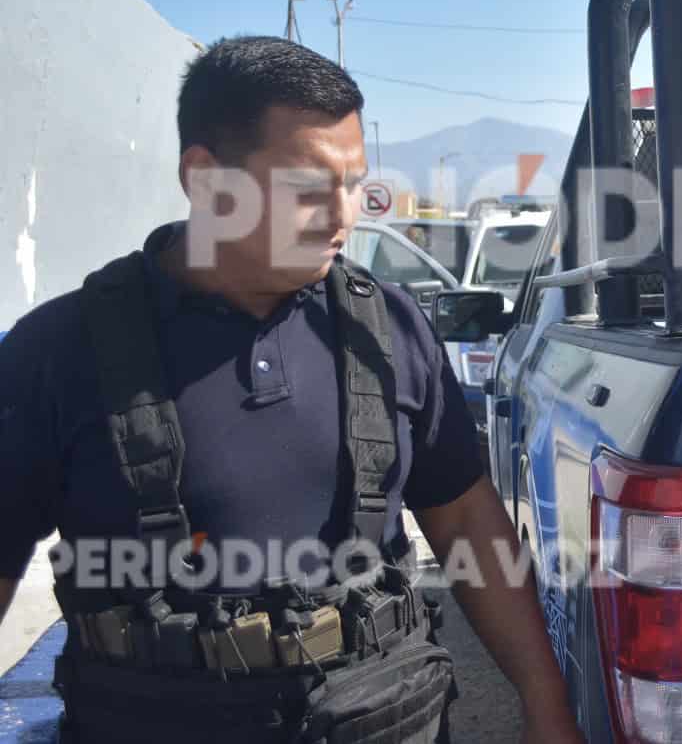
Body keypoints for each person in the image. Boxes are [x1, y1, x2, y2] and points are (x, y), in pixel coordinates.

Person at [0, 37, 580, 743]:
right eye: (309, 187)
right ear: (207, 179)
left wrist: (546, 703)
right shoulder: (57, 353)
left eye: (355, 184)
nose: (344, 216)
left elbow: (464, 520)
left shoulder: (387, 330)